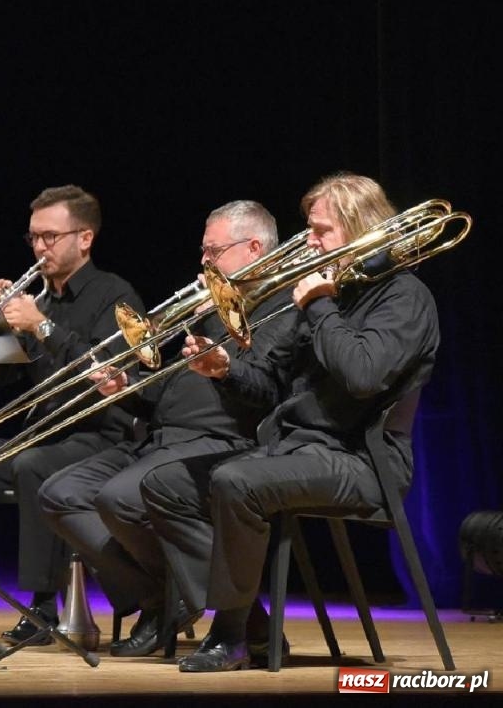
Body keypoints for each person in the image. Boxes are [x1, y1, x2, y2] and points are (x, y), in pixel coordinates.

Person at [141, 173, 438, 673]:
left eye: (321, 230)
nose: (309, 241)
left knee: (237, 481)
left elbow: (362, 375)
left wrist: (319, 304)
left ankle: (229, 634)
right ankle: (252, 620)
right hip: (294, 447)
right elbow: (270, 386)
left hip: (363, 461)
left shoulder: (402, 296)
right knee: (165, 484)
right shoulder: (324, 295)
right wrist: (225, 370)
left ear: (360, 226)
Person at [39, 200, 295, 656]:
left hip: (223, 443)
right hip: (160, 437)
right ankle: (158, 597)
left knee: (117, 497)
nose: (204, 261)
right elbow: (169, 392)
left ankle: (222, 612)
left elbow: (270, 395)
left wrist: (225, 369)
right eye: (204, 250)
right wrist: (125, 385)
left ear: (254, 247)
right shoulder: (208, 306)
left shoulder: (282, 308)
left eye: (213, 251)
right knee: (60, 494)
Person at [0, 184, 144, 644]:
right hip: (43, 436)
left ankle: (40, 608)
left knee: (36, 466)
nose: (39, 248)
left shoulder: (115, 294)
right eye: (33, 237)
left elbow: (106, 372)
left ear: (85, 238)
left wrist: (42, 326)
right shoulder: (38, 299)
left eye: (50, 237)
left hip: (101, 437)